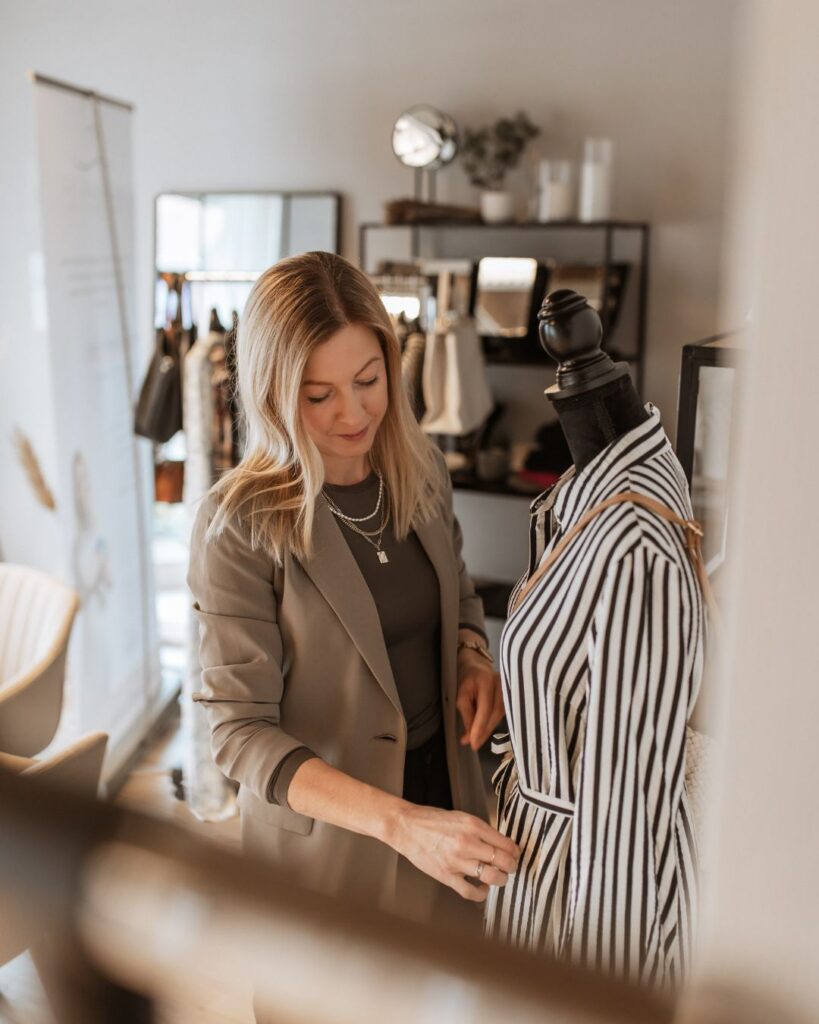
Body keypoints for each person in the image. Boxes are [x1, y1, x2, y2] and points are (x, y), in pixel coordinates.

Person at [188, 251, 520, 927]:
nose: (352, 413)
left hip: (447, 796)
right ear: (272, 393)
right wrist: (398, 824)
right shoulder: (240, 524)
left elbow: (454, 591)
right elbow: (239, 733)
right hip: (331, 840)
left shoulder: (418, 466)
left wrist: (470, 655)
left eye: (368, 380)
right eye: (318, 395)